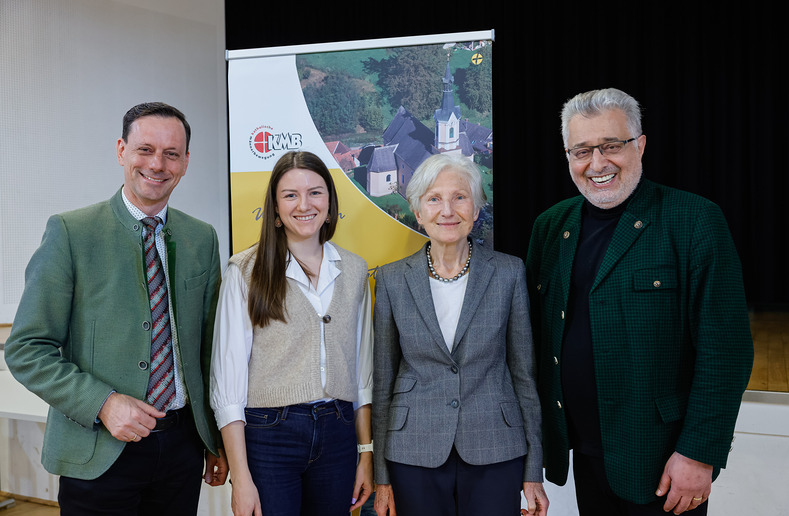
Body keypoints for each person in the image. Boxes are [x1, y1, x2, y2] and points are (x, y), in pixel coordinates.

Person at [526, 88, 753, 516]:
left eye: (611, 146)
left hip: (662, 459)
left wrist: (698, 453)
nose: (597, 164)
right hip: (584, 453)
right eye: (581, 151)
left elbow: (727, 351)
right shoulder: (551, 227)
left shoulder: (694, 221)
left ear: (640, 144)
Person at [4, 102, 228, 514]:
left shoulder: (202, 239)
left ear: (185, 162)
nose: (157, 164)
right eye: (145, 149)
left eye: (171, 154)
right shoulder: (71, 232)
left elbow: (210, 351)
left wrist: (215, 439)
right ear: (122, 150)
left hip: (182, 448)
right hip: (98, 449)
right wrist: (103, 403)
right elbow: (26, 349)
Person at [372, 153, 549, 516]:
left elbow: (524, 375)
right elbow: (383, 379)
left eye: (460, 197)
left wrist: (534, 471)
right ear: (419, 213)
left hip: (496, 447)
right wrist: (381, 475)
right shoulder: (390, 279)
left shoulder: (509, 272)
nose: (447, 210)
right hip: (412, 449)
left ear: (477, 208)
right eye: (434, 198)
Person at [210, 150, 373, 516]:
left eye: (315, 192)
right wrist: (242, 477)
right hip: (270, 435)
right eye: (290, 195)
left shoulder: (355, 270)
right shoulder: (245, 271)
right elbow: (228, 386)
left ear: (330, 203)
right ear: (276, 207)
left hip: (339, 432)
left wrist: (365, 454)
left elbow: (363, 375)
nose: (304, 205)